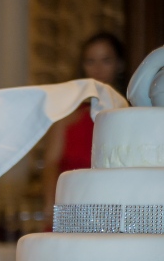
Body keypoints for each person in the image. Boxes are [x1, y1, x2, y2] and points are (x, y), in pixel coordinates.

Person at [42, 32, 127, 223]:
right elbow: (51, 164)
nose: (98, 69)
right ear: (82, 66)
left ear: (119, 64)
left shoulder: (128, 113)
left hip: (113, 210)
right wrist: (49, 205)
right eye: (90, 61)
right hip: (70, 209)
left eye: (106, 60)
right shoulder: (66, 114)